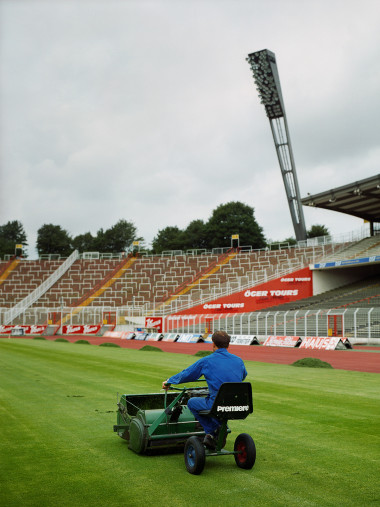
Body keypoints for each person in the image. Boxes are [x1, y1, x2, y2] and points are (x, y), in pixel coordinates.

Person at [162, 330, 247, 449]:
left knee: (192, 402)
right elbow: (242, 376)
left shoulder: (207, 361)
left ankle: (212, 432)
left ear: (213, 344)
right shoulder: (239, 361)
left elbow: (188, 374)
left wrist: (169, 381)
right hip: (238, 405)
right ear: (228, 345)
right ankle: (217, 433)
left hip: (217, 405)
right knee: (220, 405)